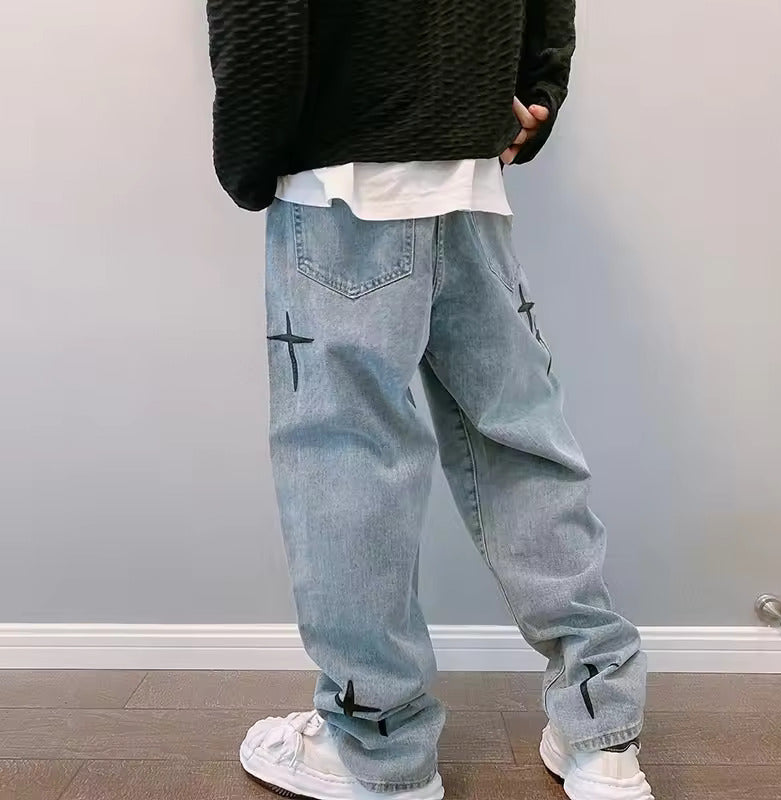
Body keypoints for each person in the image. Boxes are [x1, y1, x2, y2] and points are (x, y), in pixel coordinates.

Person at [206, 2, 653, 799]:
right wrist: (537, 89)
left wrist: (251, 158)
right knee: (521, 446)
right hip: (469, 180)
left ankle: (377, 750)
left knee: (348, 463)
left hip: (341, 181)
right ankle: (602, 731)